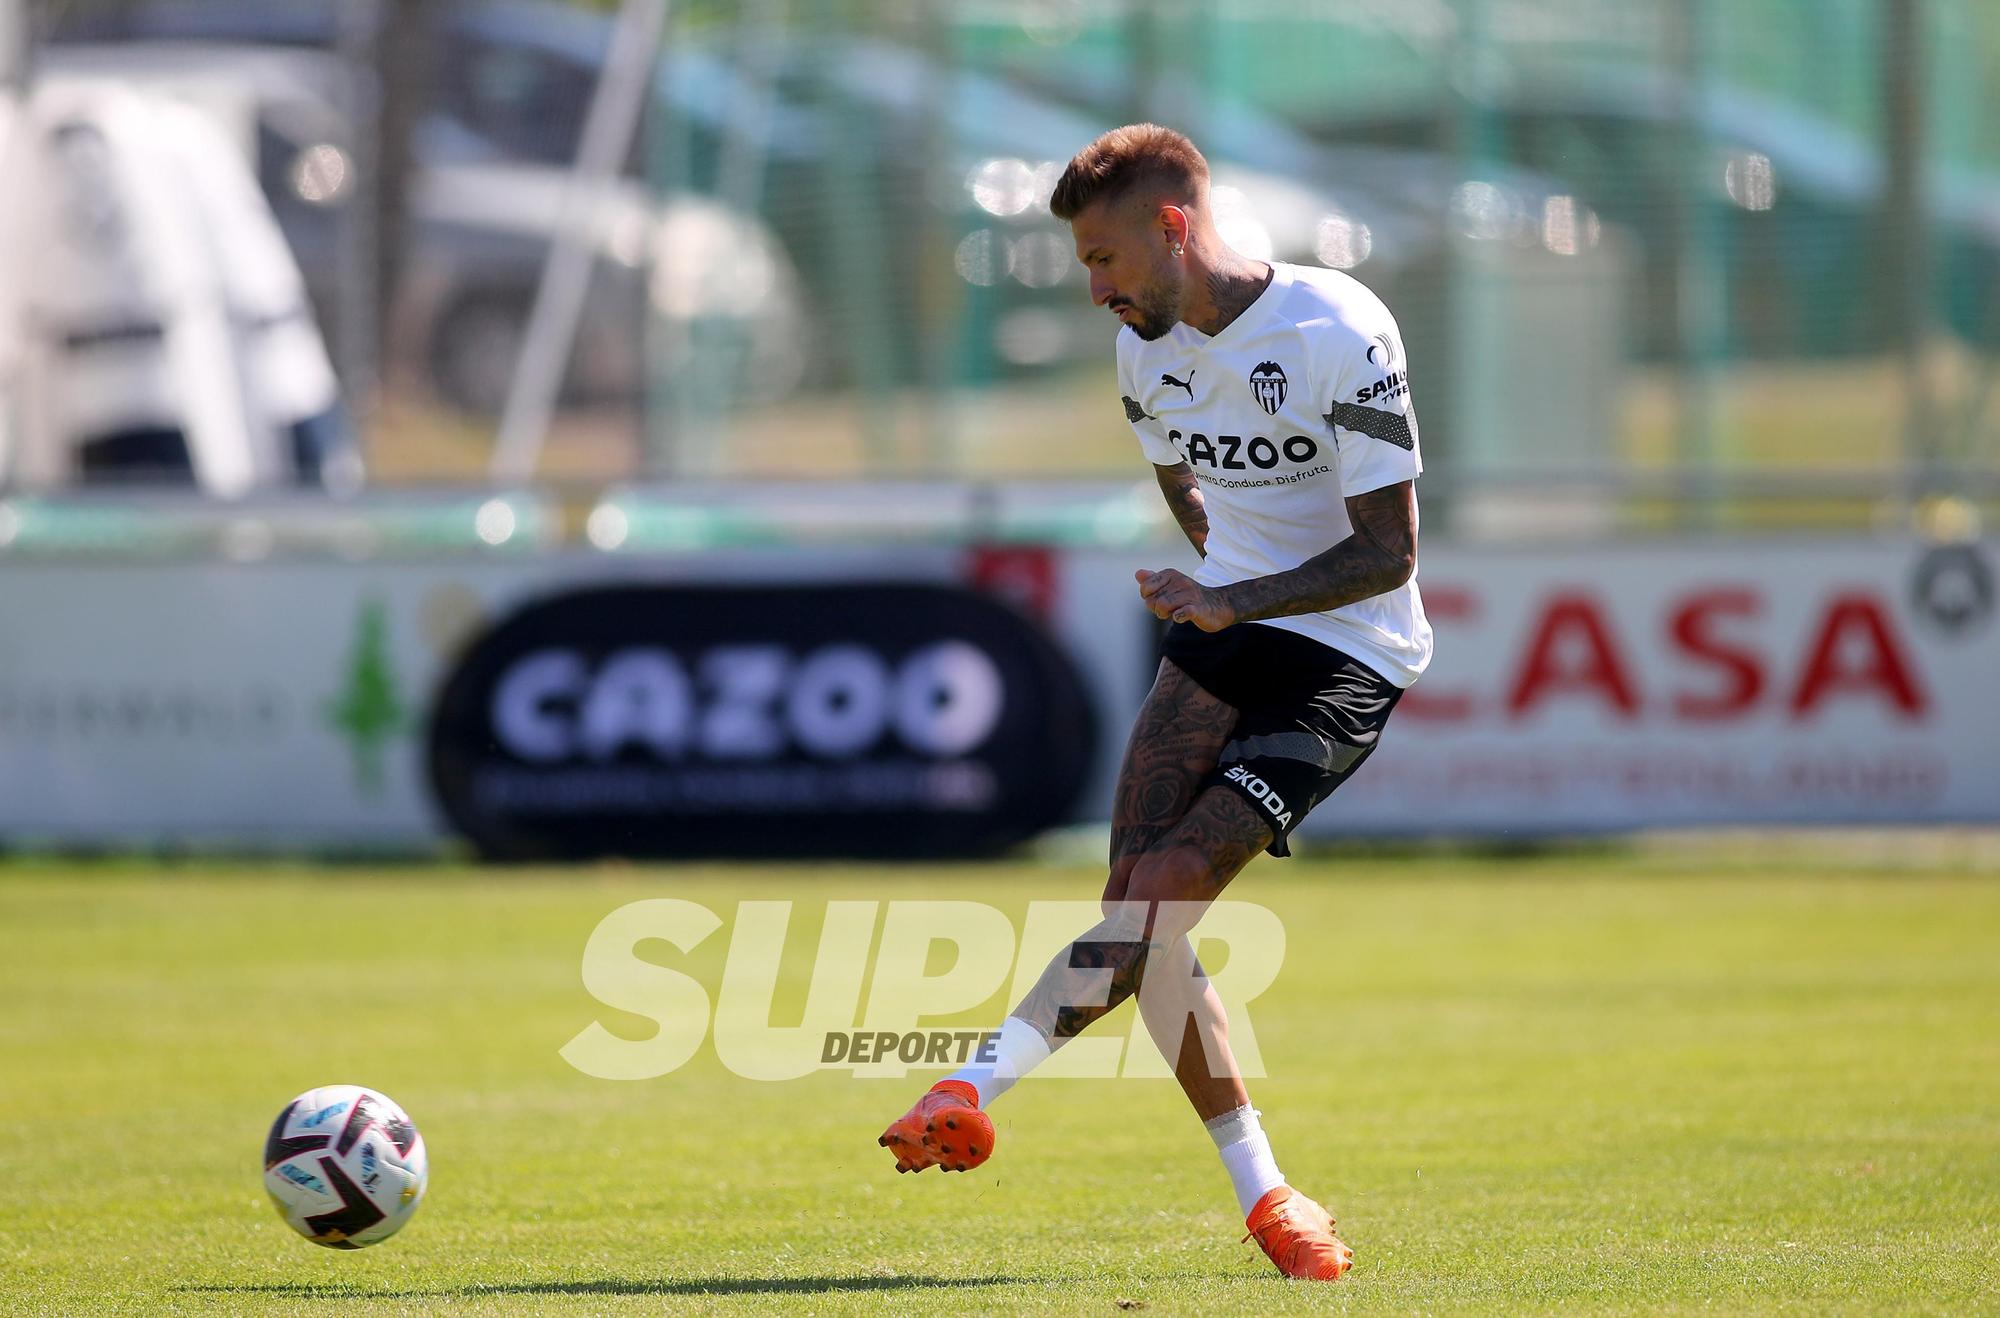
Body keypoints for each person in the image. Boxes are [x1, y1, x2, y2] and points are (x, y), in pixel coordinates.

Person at [878, 123, 1431, 1282]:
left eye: (1101, 260)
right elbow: (1180, 480)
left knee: (1163, 892)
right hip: (1227, 627)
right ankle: (1269, 1194)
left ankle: (968, 1087)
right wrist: (1213, 580)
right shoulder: (1145, 349)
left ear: (1171, 227)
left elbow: (1387, 552)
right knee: (1135, 913)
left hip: (1345, 651)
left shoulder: (1339, 327)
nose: (1093, 292)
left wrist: (1239, 598)